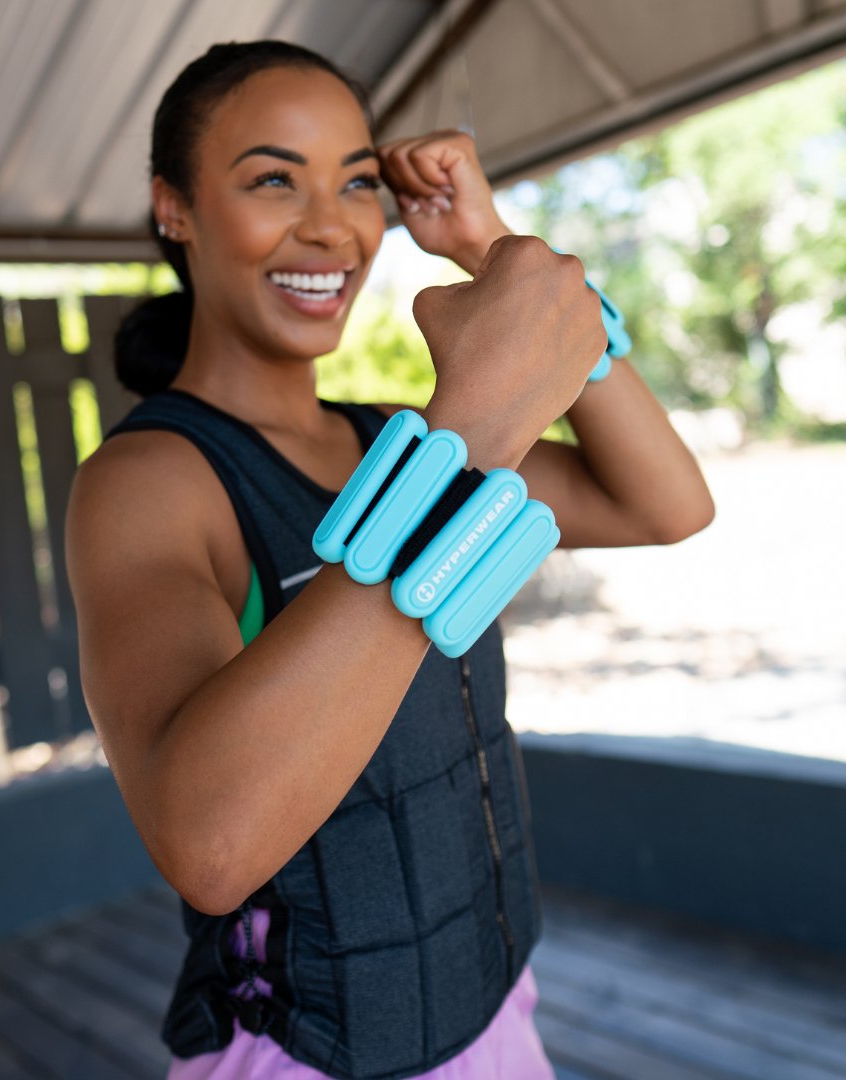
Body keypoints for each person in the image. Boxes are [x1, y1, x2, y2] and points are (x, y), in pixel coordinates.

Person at [65, 39, 714, 1080]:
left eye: (359, 181)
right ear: (174, 208)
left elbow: (667, 503)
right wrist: (477, 421)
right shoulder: (153, 480)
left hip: (498, 1008)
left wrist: (493, 247)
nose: (330, 224)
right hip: (312, 1052)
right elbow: (210, 847)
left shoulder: (395, 440)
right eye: (273, 177)